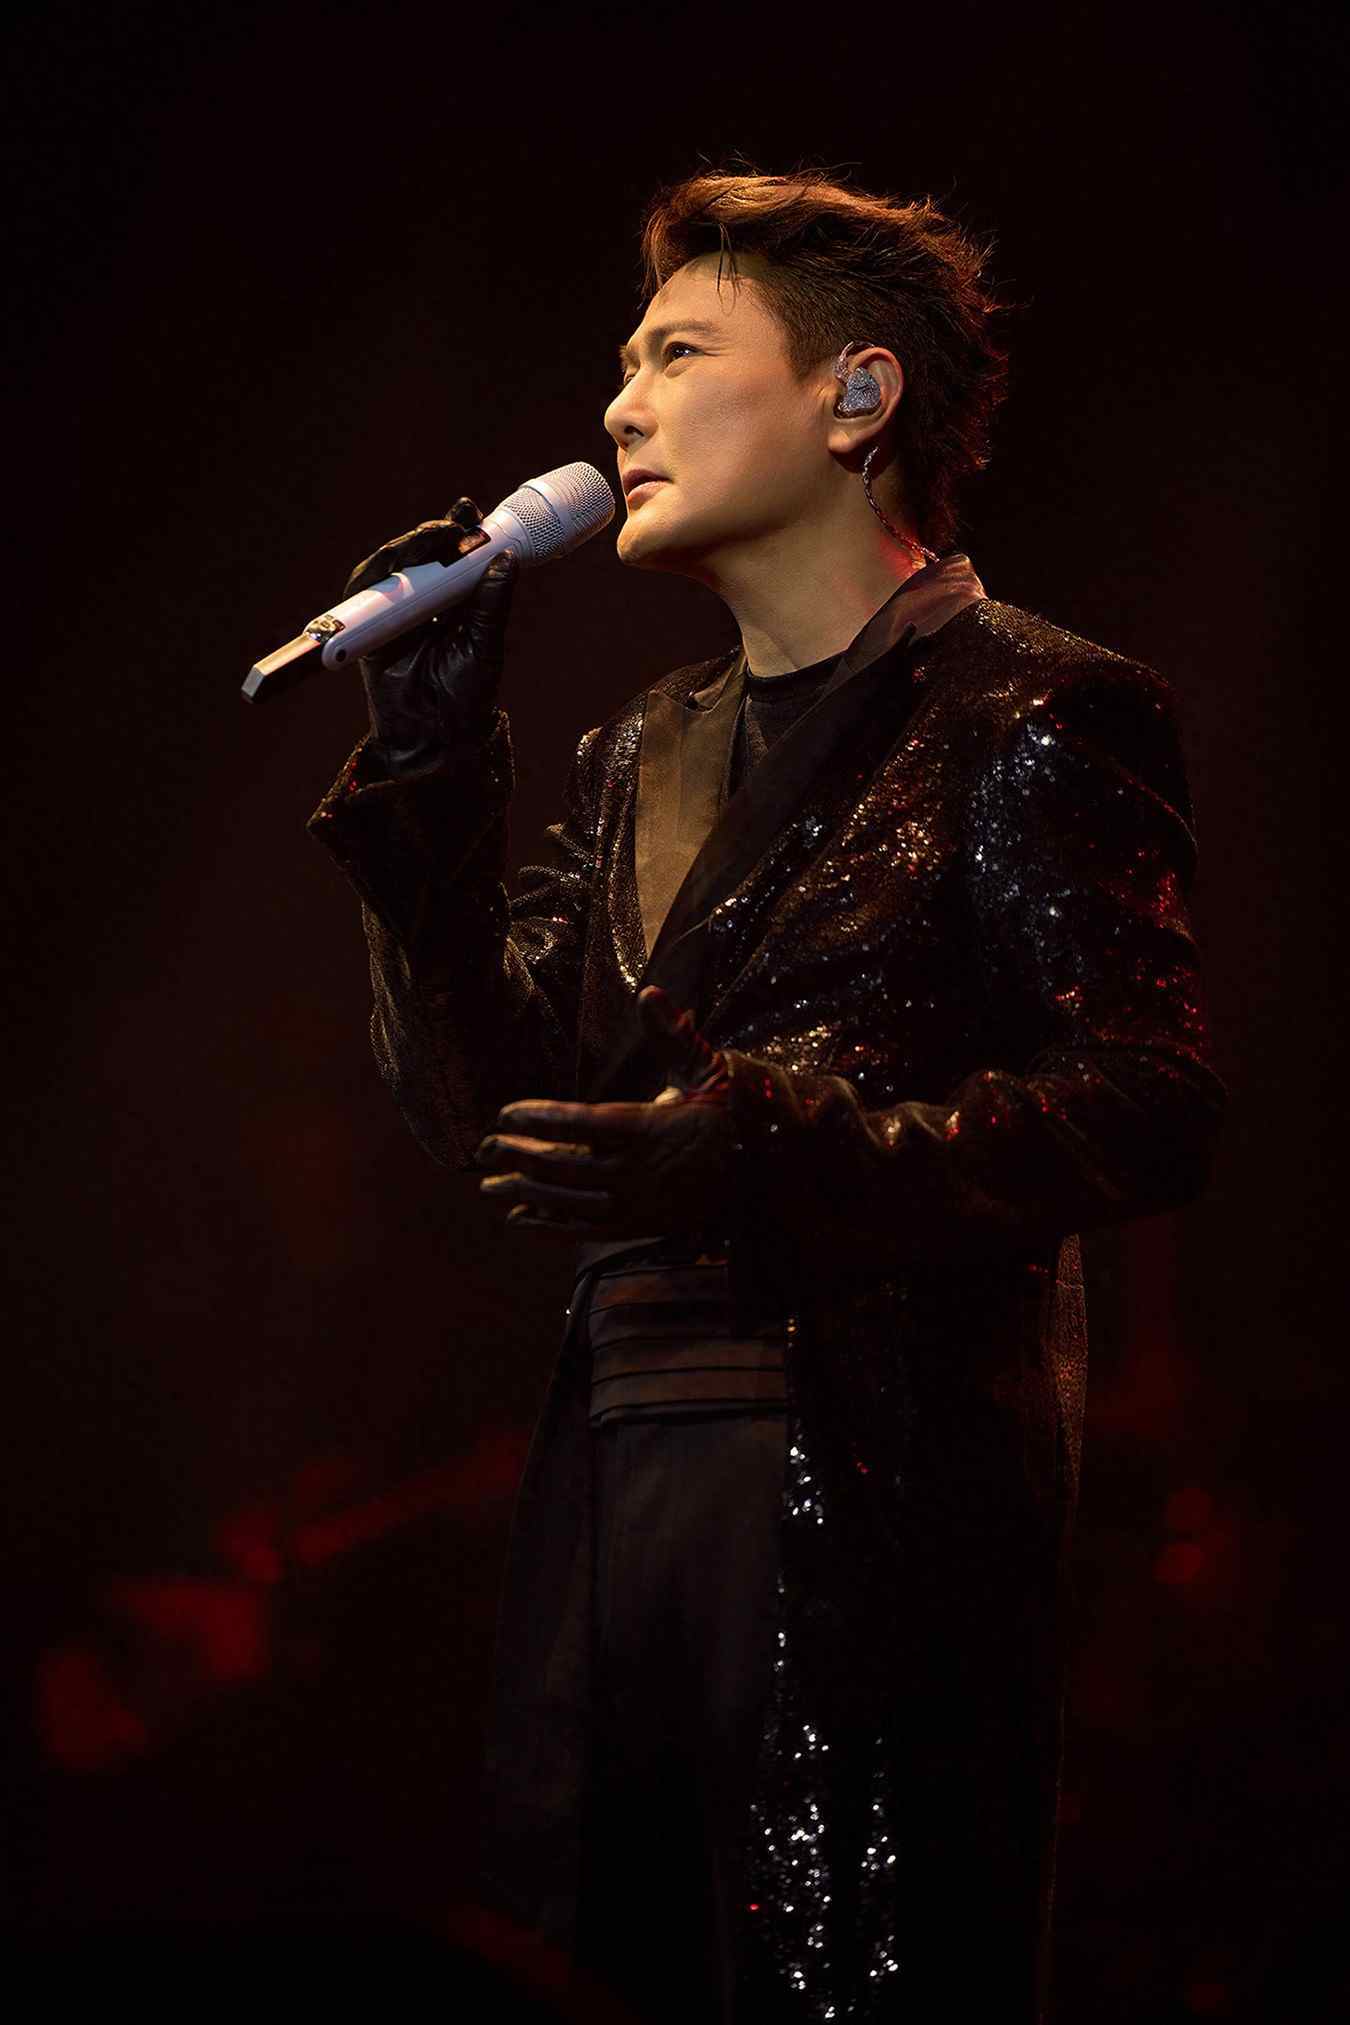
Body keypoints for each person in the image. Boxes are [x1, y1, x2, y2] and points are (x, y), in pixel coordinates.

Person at [307, 169, 1224, 2023]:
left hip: (872, 1479)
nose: (619, 408)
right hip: (632, 1461)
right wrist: (429, 769)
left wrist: (775, 1146)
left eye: (675, 354)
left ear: (855, 395)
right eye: (621, 365)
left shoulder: (1030, 708)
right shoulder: (639, 749)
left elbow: (1147, 1094)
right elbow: (491, 1100)